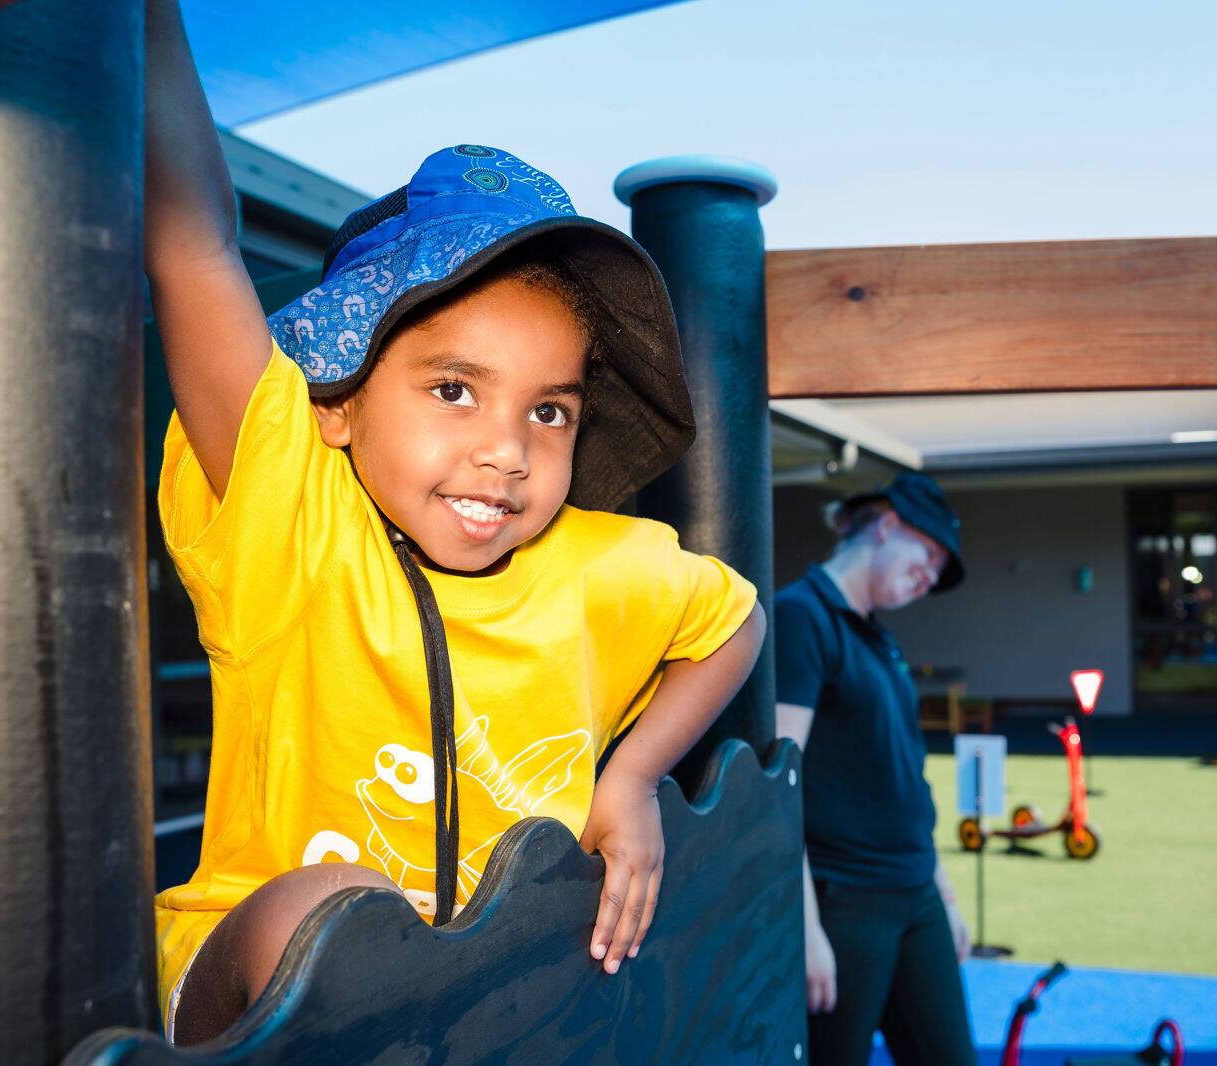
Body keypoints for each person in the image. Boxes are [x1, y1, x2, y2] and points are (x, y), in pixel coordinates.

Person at [144, 0, 765, 1044]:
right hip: (262, 994)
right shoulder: (290, 523)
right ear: (337, 401)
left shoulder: (597, 569)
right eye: (453, 390)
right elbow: (195, 249)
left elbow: (733, 623)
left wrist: (631, 777)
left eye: (550, 408)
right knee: (338, 915)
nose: (508, 448)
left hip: (495, 1010)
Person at [775, 473, 976, 1066]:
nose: (929, 577)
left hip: (916, 894)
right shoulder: (801, 619)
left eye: (937, 573)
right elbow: (777, 789)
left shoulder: (880, 642)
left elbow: (905, 781)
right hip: (846, 902)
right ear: (887, 526)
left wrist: (945, 895)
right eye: (930, 555)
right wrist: (805, 926)